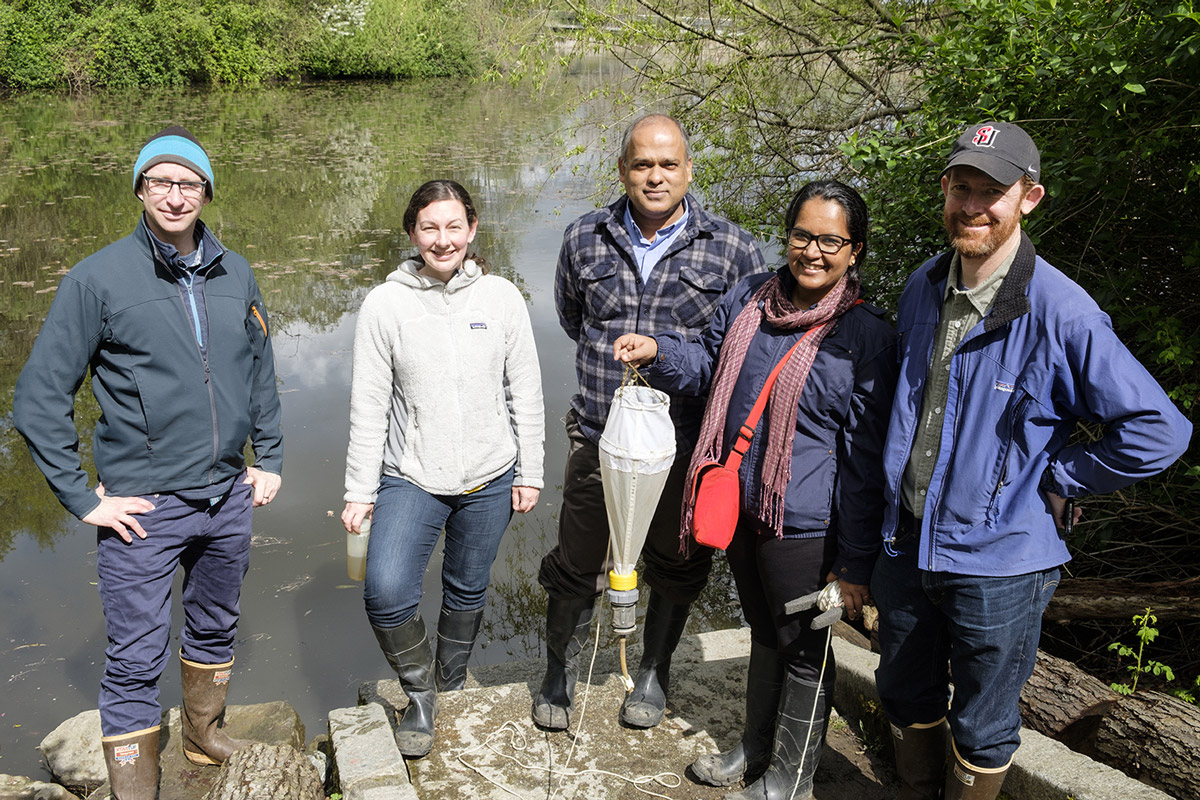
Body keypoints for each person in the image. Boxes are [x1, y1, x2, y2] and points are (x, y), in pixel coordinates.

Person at [872, 122, 1192, 800]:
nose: (973, 206)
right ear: (944, 190)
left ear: (1030, 198)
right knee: (902, 691)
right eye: (962, 188)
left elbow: (1160, 430)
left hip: (1000, 563)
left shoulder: (1063, 313)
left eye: (993, 191)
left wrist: (1065, 477)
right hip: (906, 544)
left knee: (984, 725)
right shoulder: (923, 286)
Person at [13, 126, 283, 800]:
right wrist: (82, 499)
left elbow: (258, 373)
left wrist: (268, 456)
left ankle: (204, 733)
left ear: (206, 193)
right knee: (136, 655)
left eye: (188, 183)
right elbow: (39, 395)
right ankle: (134, 787)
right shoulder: (99, 279)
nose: (174, 195)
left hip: (227, 495)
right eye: (160, 181)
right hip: (143, 508)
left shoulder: (236, 270)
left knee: (216, 623)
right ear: (140, 189)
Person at [615, 180, 898, 799]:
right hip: (739, 505)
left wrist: (853, 563)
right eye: (802, 235)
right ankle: (754, 749)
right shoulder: (749, 297)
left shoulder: (867, 336)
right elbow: (706, 367)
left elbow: (865, 462)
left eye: (831, 240)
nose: (812, 252)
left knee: (804, 647)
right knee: (765, 633)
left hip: (805, 522)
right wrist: (659, 351)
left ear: (855, 251)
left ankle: (789, 781)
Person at [535, 112, 765, 732]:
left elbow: (736, 354)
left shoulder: (735, 248)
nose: (655, 176)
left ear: (689, 170)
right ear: (622, 171)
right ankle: (556, 669)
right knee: (577, 558)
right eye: (642, 164)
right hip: (597, 434)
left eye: (668, 164)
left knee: (676, 559)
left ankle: (655, 671)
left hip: (683, 444)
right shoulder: (585, 236)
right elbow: (573, 318)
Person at [341, 179, 544, 758]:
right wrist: (360, 490)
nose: (442, 239)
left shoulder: (502, 297)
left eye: (454, 226)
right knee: (384, 591)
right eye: (429, 227)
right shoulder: (386, 305)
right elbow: (368, 406)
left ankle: (447, 688)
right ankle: (420, 690)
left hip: (491, 475)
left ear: (472, 229)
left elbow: (525, 390)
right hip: (411, 475)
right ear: (412, 233)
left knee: (466, 588)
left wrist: (530, 471)